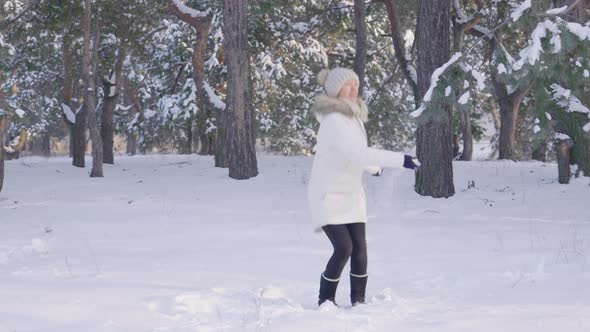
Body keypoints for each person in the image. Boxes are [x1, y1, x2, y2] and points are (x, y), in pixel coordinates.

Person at [307, 68, 420, 306]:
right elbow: (357, 153)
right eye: (347, 85)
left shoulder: (353, 118)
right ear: (335, 91)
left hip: (352, 195)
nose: (353, 89)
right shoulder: (333, 121)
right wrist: (400, 159)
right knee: (344, 248)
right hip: (329, 196)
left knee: (360, 249)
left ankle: (358, 301)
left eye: (355, 85)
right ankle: (325, 300)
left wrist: (373, 167)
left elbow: (352, 155)